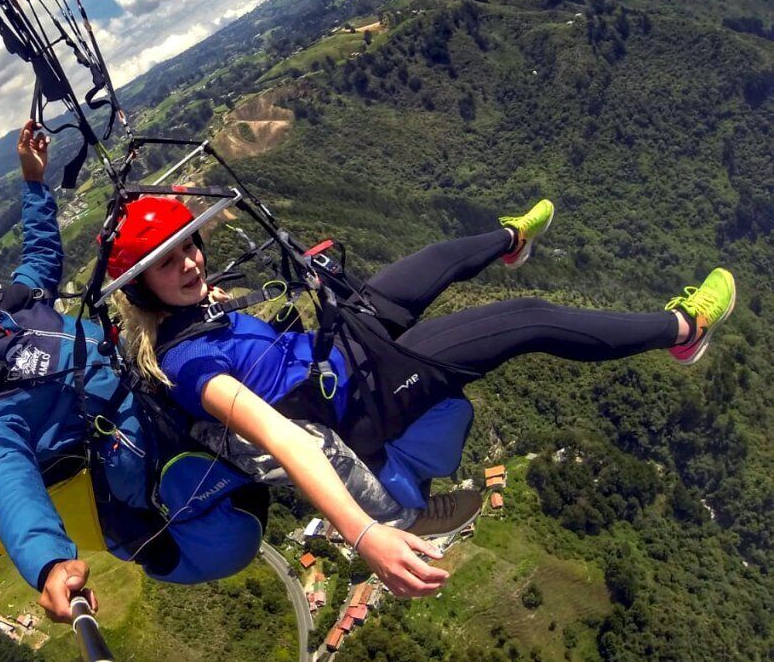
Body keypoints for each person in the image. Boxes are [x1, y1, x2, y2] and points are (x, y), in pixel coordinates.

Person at [108, 195, 737, 597]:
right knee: (526, 319)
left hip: (339, 351)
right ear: (144, 291)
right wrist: (360, 534)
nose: (191, 263)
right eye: (168, 263)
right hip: (361, 400)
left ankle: (510, 240)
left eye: (189, 245)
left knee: (432, 262)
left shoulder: (196, 312)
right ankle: (685, 330)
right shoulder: (189, 361)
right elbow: (282, 440)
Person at [0, 121, 275, 623]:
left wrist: (33, 181)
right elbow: (9, 480)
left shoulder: (15, 307)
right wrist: (48, 563)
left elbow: (42, 254)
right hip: (178, 508)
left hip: (158, 411)